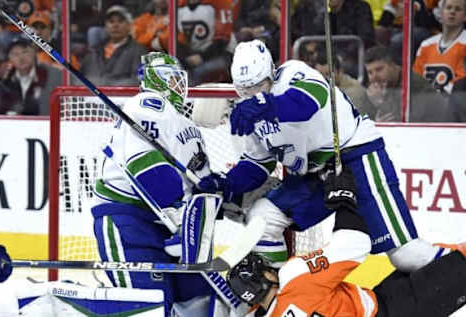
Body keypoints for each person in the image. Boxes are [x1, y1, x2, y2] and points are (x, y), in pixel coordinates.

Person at [198, 39, 459, 272]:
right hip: (314, 175)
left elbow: (310, 101)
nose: (251, 94)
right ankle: (277, 297)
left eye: (258, 86)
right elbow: (258, 163)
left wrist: (264, 104)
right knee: (263, 218)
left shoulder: (294, 72)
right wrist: (226, 184)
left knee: (407, 256)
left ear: (271, 73)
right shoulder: (246, 112)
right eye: (245, 90)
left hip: (355, 156)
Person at [90, 52, 229, 317]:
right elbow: (146, 165)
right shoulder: (146, 104)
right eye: (170, 78)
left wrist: (222, 194)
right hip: (128, 223)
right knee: (149, 308)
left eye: (180, 78)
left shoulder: (186, 126)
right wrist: (176, 213)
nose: (178, 85)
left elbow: (201, 185)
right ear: (154, 80)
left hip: (171, 235)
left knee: (201, 303)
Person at [226, 171, 466, 317]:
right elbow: (356, 242)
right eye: (267, 268)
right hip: (396, 309)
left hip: (382, 300)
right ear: (266, 278)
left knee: (432, 260)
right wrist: (343, 200)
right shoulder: (294, 278)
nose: (272, 268)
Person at [365, 45, 453, 122]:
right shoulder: (377, 89)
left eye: (379, 69)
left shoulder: (412, 83)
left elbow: (408, 124)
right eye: (370, 72)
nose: (374, 77)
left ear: (393, 65)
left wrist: (381, 102)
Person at [76, 5, 147, 86]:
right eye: (111, 21)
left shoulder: (139, 51)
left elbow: (138, 81)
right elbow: (80, 79)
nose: (115, 25)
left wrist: (106, 84)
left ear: (129, 26)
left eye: (120, 21)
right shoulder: (93, 51)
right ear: (106, 26)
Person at [0, 34, 62, 115]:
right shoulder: (6, 81)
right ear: (10, 58)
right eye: (15, 54)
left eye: (24, 52)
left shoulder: (53, 75)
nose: (21, 58)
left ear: (34, 52)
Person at [413, 0, 466, 94]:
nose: (452, 12)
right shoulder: (426, 45)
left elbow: (462, 81)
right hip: (425, 102)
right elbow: (416, 78)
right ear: (441, 13)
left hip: (456, 103)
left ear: (465, 16)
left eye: (458, 9)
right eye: (448, 8)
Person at [312, 47, 377, 119]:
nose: (324, 79)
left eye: (328, 74)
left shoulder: (355, 92)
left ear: (340, 71)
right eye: (320, 75)